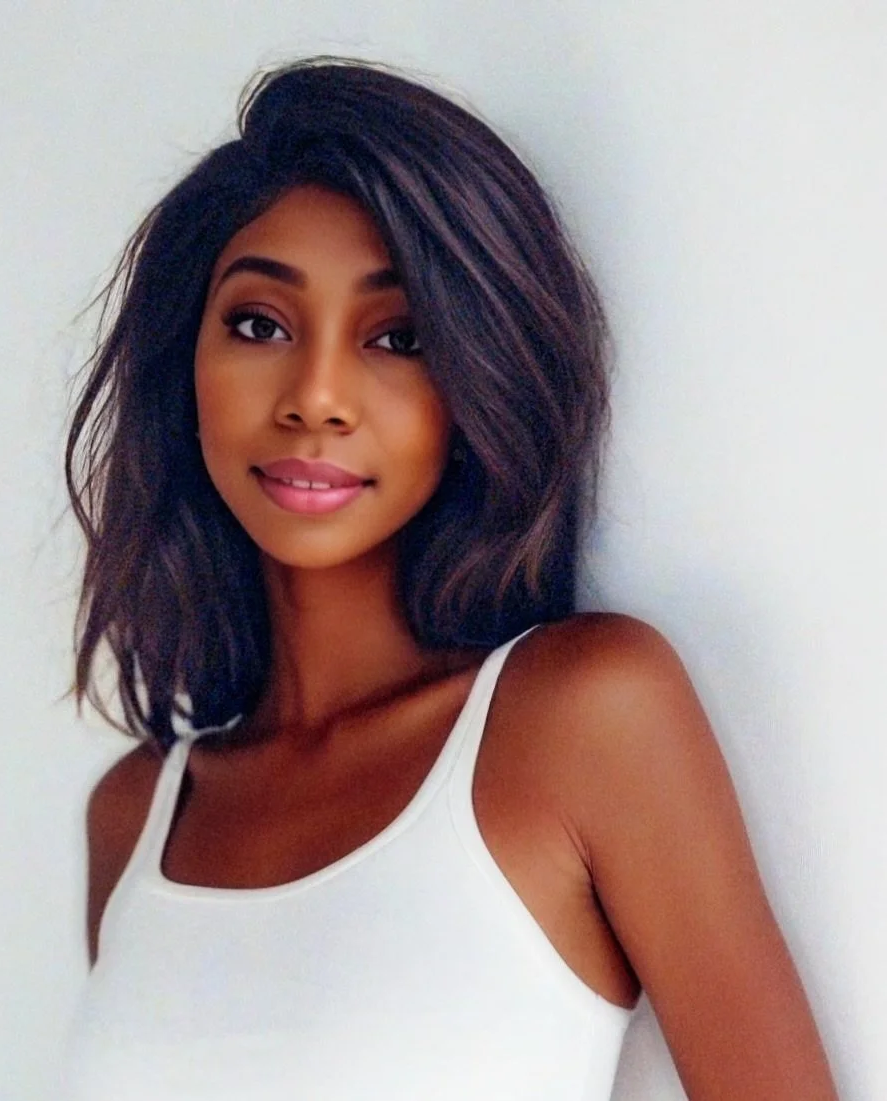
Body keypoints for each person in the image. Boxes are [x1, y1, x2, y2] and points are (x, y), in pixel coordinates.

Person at [60, 56, 837, 1100]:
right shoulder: (137, 815)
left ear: (477, 380)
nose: (318, 396)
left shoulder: (583, 716)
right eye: (259, 324)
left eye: (398, 337)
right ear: (182, 362)